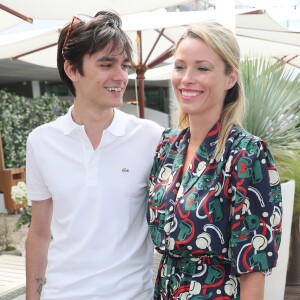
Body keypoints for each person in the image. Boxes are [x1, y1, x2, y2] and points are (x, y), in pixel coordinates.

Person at [25, 11, 163, 300]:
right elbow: (38, 235)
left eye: (124, 65)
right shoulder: (41, 141)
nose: (121, 76)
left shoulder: (152, 137)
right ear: (73, 70)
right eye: (106, 64)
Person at [147, 22, 282, 300]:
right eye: (180, 66)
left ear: (230, 78)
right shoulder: (168, 147)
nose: (186, 78)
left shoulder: (247, 155)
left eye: (203, 68)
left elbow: (253, 269)